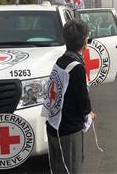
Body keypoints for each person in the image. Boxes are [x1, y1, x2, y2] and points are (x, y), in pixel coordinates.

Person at [41, 19, 96, 174]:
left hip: (53, 125)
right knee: (71, 168)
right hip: (69, 130)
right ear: (85, 42)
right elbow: (82, 101)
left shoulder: (60, 61)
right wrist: (88, 112)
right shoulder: (76, 67)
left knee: (57, 168)